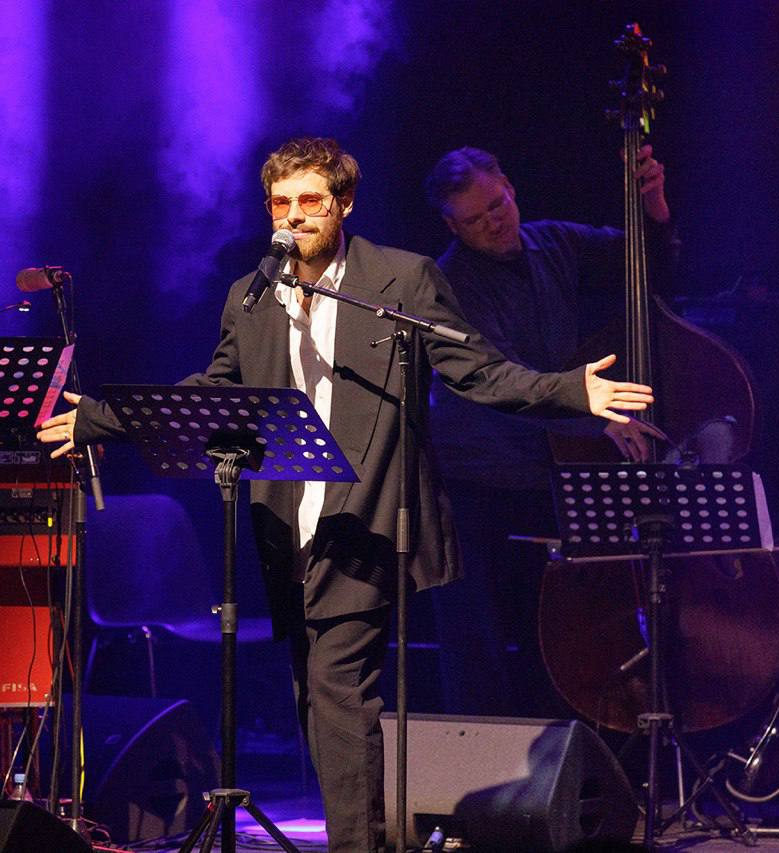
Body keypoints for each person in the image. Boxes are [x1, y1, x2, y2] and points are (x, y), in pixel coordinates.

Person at [36, 137, 653, 852]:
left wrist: (571, 391)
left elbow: (479, 372)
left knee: (337, 684)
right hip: (285, 524)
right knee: (318, 694)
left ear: (344, 204)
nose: (294, 216)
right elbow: (215, 388)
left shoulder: (401, 280)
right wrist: (102, 417)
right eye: (281, 203)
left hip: (367, 517)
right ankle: (369, 835)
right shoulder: (252, 294)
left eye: (310, 201)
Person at [422, 145, 674, 717]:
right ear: (452, 227)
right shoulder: (447, 283)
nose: (494, 222)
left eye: (497, 204)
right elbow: (504, 380)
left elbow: (644, 265)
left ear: (510, 187)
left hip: (546, 467)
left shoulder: (553, 241)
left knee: (555, 633)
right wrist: (593, 417)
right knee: (480, 646)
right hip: (475, 479)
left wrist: (653, 205)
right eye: (474, 220)